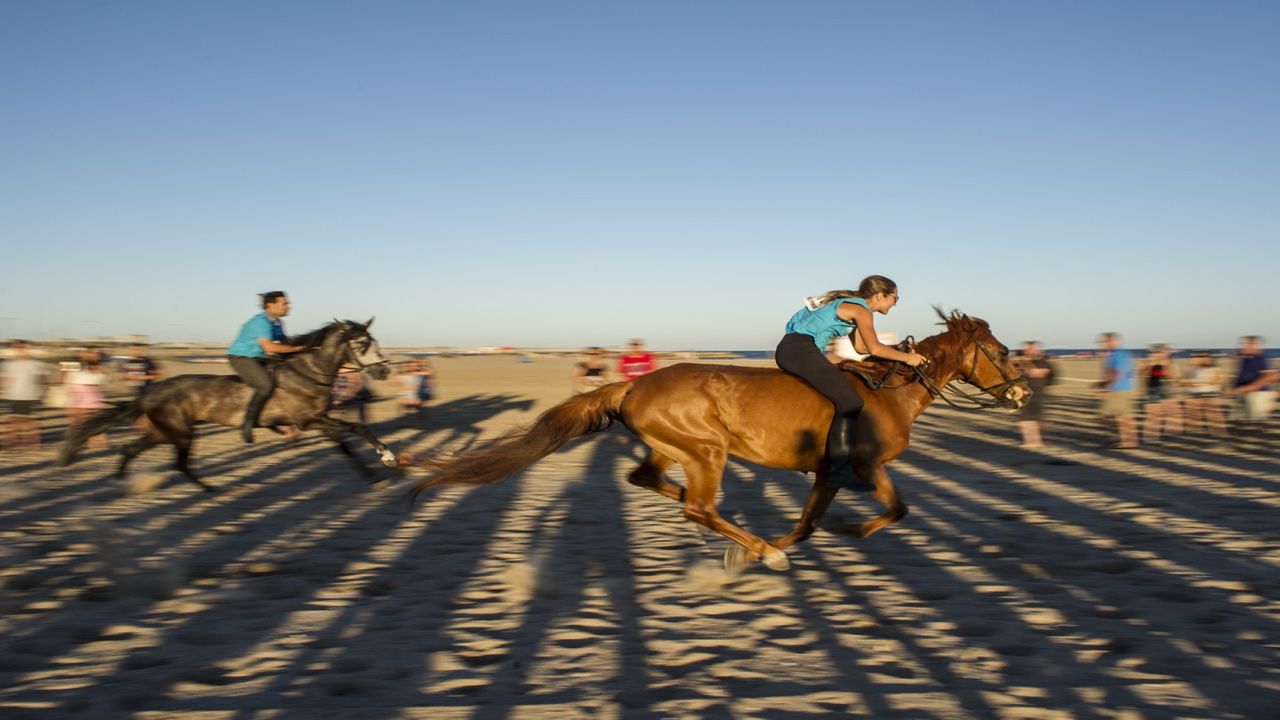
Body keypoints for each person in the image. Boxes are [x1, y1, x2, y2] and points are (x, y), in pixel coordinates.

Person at [776, 275, 926, 491]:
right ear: (880, 295)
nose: (895, 303)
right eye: (895, 298)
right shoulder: (861, 311)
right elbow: (875, 349)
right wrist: (907, 358)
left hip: (797, 349)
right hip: (801, 350)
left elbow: (862, 349)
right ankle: (839, 470)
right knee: (851, 402)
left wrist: (897, 347)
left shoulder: (855, 309)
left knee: (834, 396)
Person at [227, 291, 306, 443]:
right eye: (284, 303)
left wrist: (308, 346)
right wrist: (298, 349)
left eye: (287, 303)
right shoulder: (260, 322)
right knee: (265, 385)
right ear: (270, 305)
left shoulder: (277, 322)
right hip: (241, 358)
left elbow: (284, 341)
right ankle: (247, 424)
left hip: (259, 357)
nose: (288, 306)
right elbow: (270, 347)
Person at [1, 340, 48, 451]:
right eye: (17, 347)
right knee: (12, 420)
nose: (20, 350)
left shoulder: (35, 363)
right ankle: (9, 444)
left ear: (27, 349)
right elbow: (3, 379)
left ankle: (32, 444)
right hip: (13, 396)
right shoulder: (8, 364)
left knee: (29, 422)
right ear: (14, 349)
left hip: (29, 396)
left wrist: (42, 392)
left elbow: (41, 378)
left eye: (23, 347)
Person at [1097, 332, 1139, 449]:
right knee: (1120, 416)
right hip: (1124, 388)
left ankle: (1127, 441)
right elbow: (1128, 372)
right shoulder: (1120, 353)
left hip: (1119, 389)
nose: (1102, 344)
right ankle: (1125, 440)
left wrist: (1109, 388)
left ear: (1112, 341)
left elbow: (1118, 372)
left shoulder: (1117, 353)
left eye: (1104, 341)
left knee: (1115, 416)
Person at [66, 348, 109, 449]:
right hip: (86, 399)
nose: (85, 354)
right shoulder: (91, 368)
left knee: (81, 423)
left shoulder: (93, 368)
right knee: (85, 423)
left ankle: (95, 443)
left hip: (84, 399)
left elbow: (69, 380)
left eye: (90, 353)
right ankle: (96, 443)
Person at [1140, 343, 1182, 444]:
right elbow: (1141, 373)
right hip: (1153, 389)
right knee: (1153, 414)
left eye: (1159, 352)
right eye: (1153, 352)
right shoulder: (1146, 362)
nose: (1156, 354)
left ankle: (1171, 434)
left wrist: (1166, 361)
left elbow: (1174, 376)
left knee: (1172, 412)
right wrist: (1151, 364)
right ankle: (1150, 436)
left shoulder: (1169, 363)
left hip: (1166, 389)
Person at [1016, 341, 1055, 448]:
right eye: (1026, 349)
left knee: (1033, 419)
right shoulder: (1022, 362)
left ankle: (1037, 441)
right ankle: (1029, 441)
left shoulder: (1043, 362)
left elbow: (1036, 373)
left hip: (1037, 395)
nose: (1027, 351)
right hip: (1024, 394)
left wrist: (1025, 363)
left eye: (1029, 349)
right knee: (1025, 420)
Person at [1229, 335, 1277, 424]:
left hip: (1256, 395)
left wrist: (1245, 388)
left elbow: (1266, 378)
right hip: (1243, 394)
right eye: (1243, 344)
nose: (1244, 347)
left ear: (1255, 345)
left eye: (1247, 344)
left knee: (1256, 423)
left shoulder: (1262, 359)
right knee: (1237, 422)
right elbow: (1240, 373)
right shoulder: (1246, 358)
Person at [1184, 351, 1226, 438]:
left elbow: (1216, 380)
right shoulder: (1193, 369)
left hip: (1210, 394)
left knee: (1213, 417)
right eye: (1195, 357)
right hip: (1196, 394)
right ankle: (1196, 434)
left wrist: (1198, 383)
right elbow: (1186, 381)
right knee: (1194, 417)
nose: (1197, 358)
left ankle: (1217, 434)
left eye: (1201, 356)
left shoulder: (1214, 368)